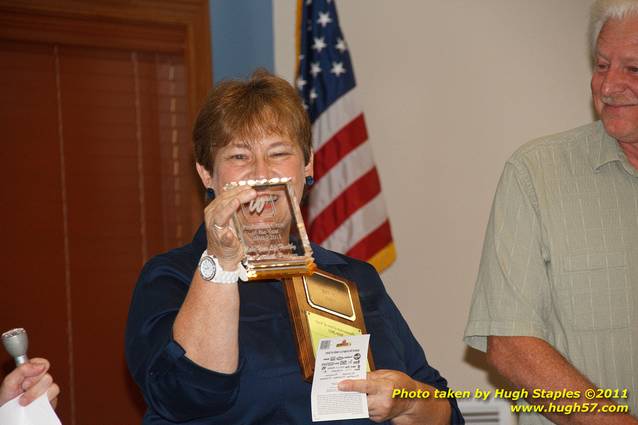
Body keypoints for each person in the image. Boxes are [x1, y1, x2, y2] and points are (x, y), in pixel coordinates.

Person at [125, 70, 463, 424]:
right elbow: (185, 396)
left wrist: (407, 402)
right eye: (239, 156)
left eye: (278, 152)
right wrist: (220, 263)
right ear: (207, 175)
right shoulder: (170, 277)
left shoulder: (355, 276)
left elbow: (446, 411)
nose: (261, 174)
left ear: (308, 166)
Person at [464, 1, 638, 424]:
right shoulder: (536, 174)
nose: (610, 86)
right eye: (601, 65)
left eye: (633, 69)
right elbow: (511, 344)